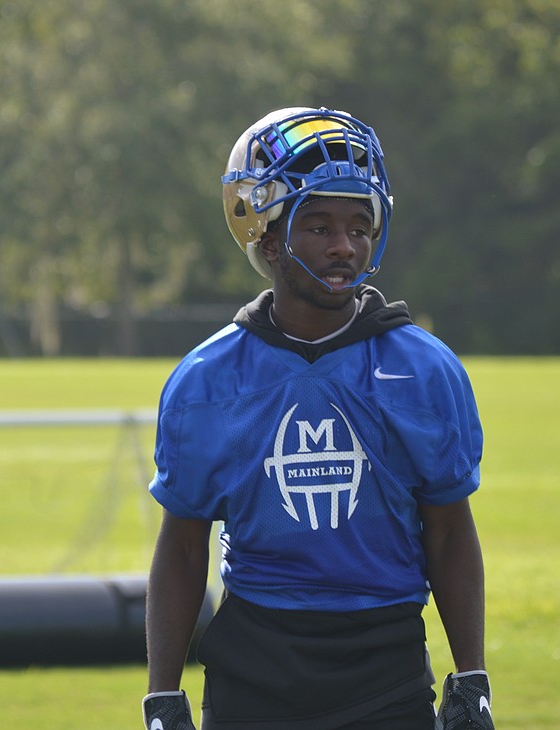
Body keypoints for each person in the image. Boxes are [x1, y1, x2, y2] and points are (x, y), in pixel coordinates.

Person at [142, 107, 495, 730]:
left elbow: (448, 530)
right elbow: (183, 541)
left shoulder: (424, 370)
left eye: (361, 225)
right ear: (269, 235)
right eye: (320, 225)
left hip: (385, 669)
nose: (344, 245)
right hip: (254, 670)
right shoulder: (208, 380)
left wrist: (471, 675)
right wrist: (162, 693)